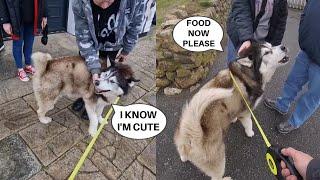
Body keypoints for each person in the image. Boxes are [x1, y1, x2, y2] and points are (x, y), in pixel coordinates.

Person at [72, 0, 146, 119]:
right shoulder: (79, 3)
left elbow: (135, 26)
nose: (105, 6)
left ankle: (96, 100)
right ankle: (84, 97)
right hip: (90, 43)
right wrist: (94, 69)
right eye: (100, 1)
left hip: (114, 44)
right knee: (87, 72)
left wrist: (126, 49)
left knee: (108, 76)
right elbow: (83, 37)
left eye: (110, 0)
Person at [264, 0, 320, 134]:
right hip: (307, 50)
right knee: (292, 81)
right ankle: (281, 105)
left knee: (312, 97)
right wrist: (303, 26)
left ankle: (295, 121)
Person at [0, 0, 48, 81]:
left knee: (29, 43)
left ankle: (28, 66)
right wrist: (5, 21)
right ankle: (20, 69)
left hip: (33, 18)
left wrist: (44, 15)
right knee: (17, 44)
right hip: (16, 18)